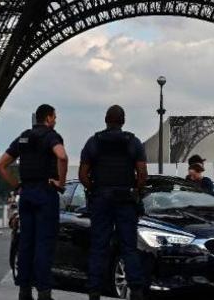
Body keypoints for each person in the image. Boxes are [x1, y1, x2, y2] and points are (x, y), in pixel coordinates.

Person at [0, 103, 68, 300]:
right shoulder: (51, 136)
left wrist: (17, 185)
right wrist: (60, 183)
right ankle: (44, 292)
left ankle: (24, 291)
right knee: (44, 245)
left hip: (26, 194)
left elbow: (1, 165)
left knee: (26, 244)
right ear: (48, 118)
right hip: (45, 193)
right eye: (54, 117)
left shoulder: (23, 137)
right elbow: (62, 156)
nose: (55, 120)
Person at [79, 105, 148, 300]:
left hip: (101, 199)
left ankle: (94, 291)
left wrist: (94, 189)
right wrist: (136, 190)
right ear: (123, 121)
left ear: (105, 120)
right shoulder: (133, 142)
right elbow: (142, 173)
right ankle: (135, 290)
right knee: (129, 247)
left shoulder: (94, 142)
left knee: (99, 246)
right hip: (125, 199)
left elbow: (83, 174)